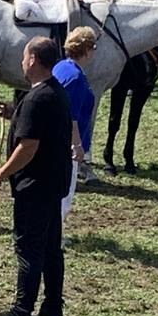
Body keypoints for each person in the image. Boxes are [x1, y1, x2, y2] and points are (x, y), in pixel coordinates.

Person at [0, 37, 74, 316]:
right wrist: (16, 114)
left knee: (28, 250)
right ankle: (52, 309)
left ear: (33, 59)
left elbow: (29, 146)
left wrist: (2, 172)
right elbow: (39, 125)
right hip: (52, 184)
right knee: (50, 249)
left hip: (34, 187)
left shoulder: (36, 98)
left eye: (24, 57)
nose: (22, 62)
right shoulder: (53, 91)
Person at [56, 27, 96, 210]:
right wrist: (77, 146)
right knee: (64, 197)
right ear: (86, 50)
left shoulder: (61, 66)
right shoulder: (76, 78)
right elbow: (71, 117)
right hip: (66, 146)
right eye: (93, 48)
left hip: (57, 140)